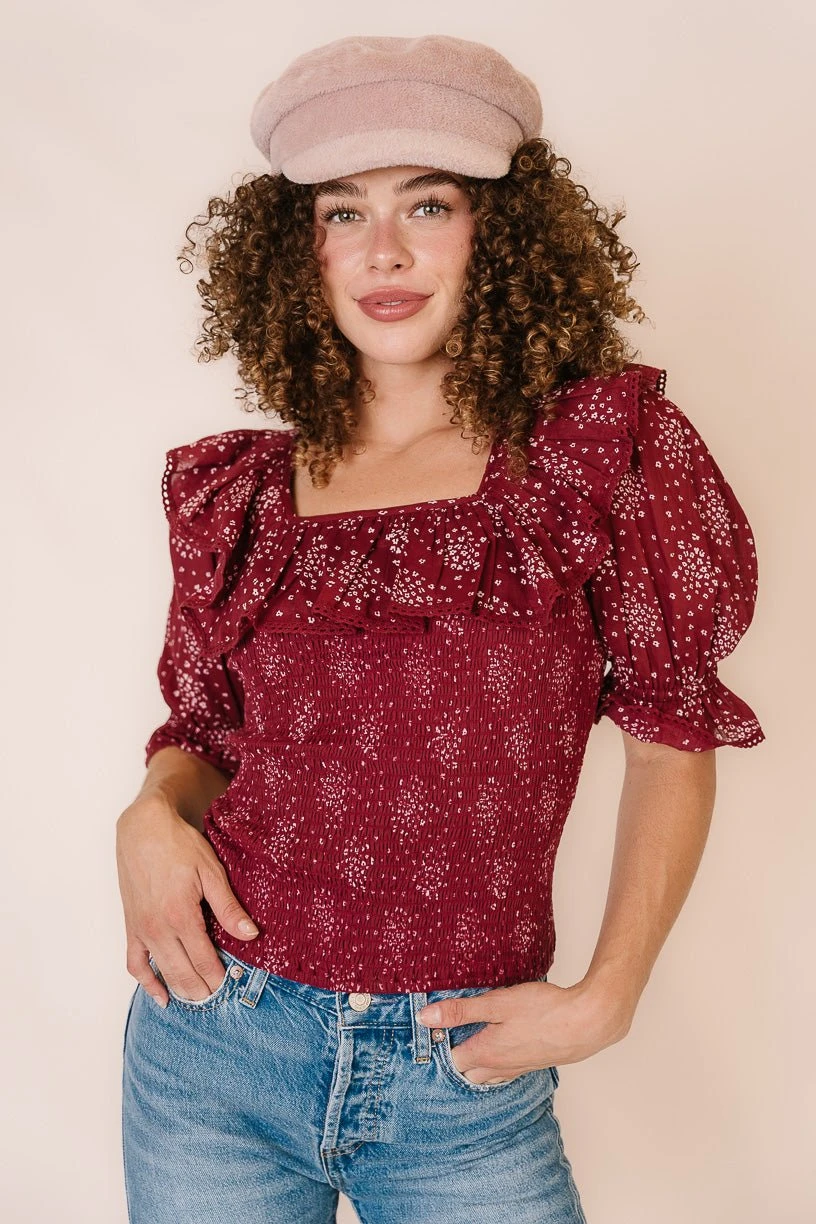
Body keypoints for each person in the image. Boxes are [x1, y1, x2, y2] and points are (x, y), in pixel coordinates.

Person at [116, 33, 765, 1224]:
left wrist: (609, 994)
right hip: (212, 1043)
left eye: (428, 204)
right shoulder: (244, 493)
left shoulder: (593, 460)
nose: (385, 251)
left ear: (499, 233)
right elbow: (204, 735)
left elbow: (672, 743)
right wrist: (149, 815)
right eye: (342, 213)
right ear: (298, 250)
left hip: (460, 1077)